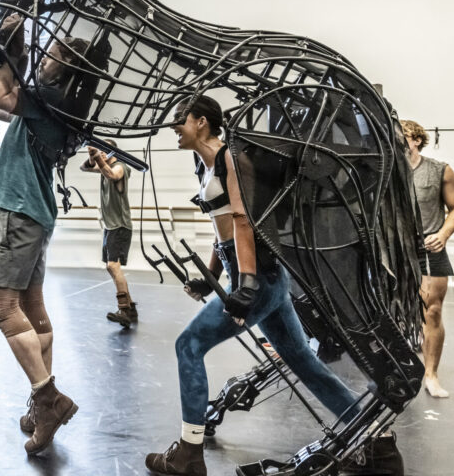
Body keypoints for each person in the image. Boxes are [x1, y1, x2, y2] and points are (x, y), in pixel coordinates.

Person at [145, 96, 404, 476]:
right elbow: (223, 229)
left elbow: (246, 221)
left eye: (179, 121)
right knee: (302, 360)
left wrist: (245, 284)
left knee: (189, 344)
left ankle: (189, 452)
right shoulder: (205, 164)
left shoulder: (232, 158)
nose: (174, 129)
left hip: (259, 275)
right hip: (258, 275)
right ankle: (379, 445)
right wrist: (214, 277)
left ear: (201, 122)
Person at [0, 13, 89, 456]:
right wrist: (17, 47)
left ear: (66, 68)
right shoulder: (56, 105)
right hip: (36, 214)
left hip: (17, 210)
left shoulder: (47, 97)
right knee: (32, 306)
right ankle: (41, 402)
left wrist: (9, 39)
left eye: (56, 53)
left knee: (2, 306)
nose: (47, 56)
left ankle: (48, 398)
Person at [401, 119, 454, 399]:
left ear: (416, 140)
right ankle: (399, 371)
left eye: (401, 137)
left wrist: (444, 233)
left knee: (433, 311)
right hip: (396, 250)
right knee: (393, 314)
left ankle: (431, 374)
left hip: (430, 246)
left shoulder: (441, 171)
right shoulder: (385, 172)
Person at [79, 140, 137, 328]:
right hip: (111, 226)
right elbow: (83, 168)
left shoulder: (120, 166)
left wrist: (98, 159)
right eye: (100, 151)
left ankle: (124, 310)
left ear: (113, 152)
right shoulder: (103, 167)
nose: (101, 154)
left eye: (104, 151)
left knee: (113, 266)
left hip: (120, 225)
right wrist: (91, 157)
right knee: (112, 266)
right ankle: (130, 307)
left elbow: (113, 175)